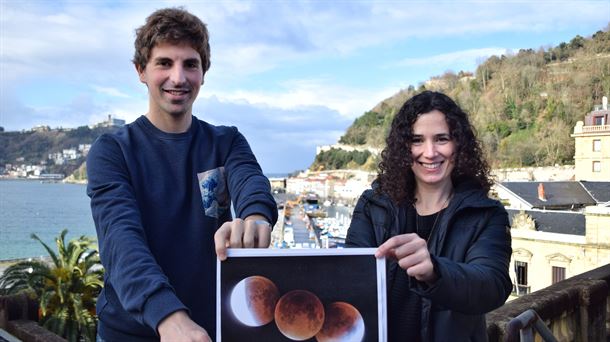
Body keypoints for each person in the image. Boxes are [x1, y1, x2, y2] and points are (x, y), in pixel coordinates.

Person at [86, 8, 277, 342]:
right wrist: (168, 317)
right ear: (140, 71)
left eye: (190, 64)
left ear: (204, 72)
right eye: (164, 63)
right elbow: (121, 239)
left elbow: (250, 180)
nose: (178, 77)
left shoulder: (226, 141)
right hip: (132, 331)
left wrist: (256, 216)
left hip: (211, 326)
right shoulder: (112, 150)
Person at [346, 91, 512, 341]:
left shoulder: (486, 214)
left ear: (459, 145)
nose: (430, 152)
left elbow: (492, 286)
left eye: (441, 139)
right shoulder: (374, 206)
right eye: (417, 140)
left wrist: (435, 271)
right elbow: (351, 277)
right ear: (403, 148)